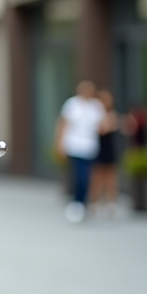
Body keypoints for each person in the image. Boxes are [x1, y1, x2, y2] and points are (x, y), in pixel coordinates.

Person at [55, 80, 106, 223]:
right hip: (75, 146)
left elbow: (102, 127)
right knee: (80, 176)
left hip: (90, 147)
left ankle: (82, 203)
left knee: (88, 177)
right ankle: (77, 203)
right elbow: (63, 124)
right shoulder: (72, 104)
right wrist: (60, 143)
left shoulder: (96, 106)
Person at [90, 88, 120, 217]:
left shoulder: (112, 114)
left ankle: (111, 203)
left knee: (110, 176)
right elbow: (102, 129)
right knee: (97, 177)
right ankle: (95, 203)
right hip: (97, 148)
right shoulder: (94, 114)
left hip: (109, 148)